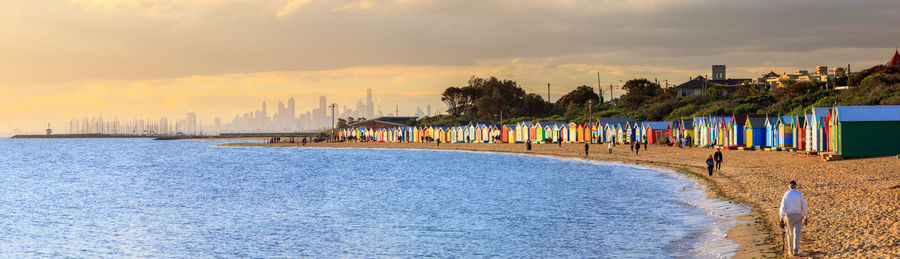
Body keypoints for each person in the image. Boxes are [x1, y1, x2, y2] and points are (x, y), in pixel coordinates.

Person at [779, 180, 809, 256]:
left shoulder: (786, 194)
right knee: (797, 233)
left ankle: (790, 249)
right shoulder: (799, 194)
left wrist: (781, 217)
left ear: (789, 186)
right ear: (796, 186)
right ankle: (795, 250)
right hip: (798, 215)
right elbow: (804, 206)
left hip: (788, 216)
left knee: (789, 233)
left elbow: (783, 206)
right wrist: (805, 215)